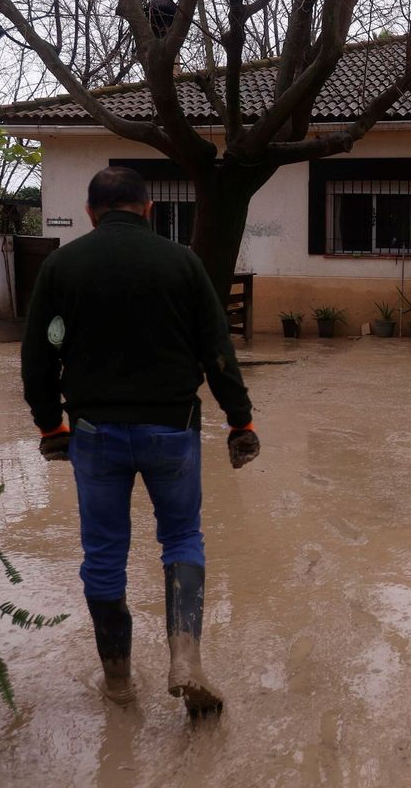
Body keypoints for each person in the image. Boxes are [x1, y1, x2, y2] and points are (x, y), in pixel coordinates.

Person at [21, 165, 259, 716]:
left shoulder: (61, 266)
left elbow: (38, 356)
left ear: (90, 213)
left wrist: (50, 425)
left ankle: (120, 682)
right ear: (148, 209)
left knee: (103, 555)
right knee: (181, 539)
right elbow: (216, 349)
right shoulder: (183, 263)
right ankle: (186, 659)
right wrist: (239, 420)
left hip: (92, 434)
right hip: (172, 429)